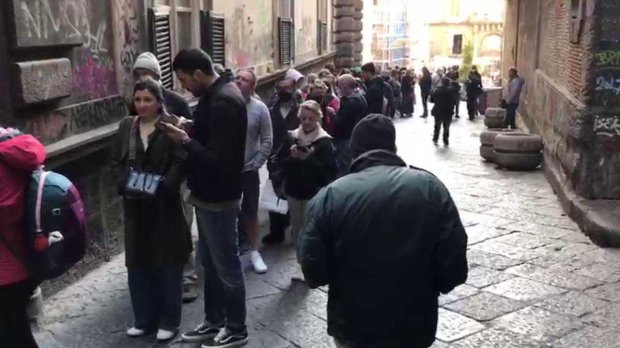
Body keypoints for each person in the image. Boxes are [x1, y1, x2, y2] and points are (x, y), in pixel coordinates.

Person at [298, 114, 468, 348]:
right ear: (394, 147)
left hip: (353, 323)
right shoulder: (431, 187)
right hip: (414, 322)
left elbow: (313, 270)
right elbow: (454, 262)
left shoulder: (330, 195)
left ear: (353, 150)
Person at [160, 48, 249, 347]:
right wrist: (190, 127)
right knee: (210, 265)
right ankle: (214, 321)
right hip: (207, 194)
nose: (183, 86)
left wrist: (184, 140)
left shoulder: (224, 99)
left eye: (184, 79)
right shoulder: (216, 94)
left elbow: (218, 159)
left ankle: (236, 327)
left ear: (198, 74)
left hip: (219, 196)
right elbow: (212, 137)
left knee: (227, 266)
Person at [111, 77, 191, 342]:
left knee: (168, 264)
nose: (142, 105)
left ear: (159, 102)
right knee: (137, 263)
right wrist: (126, 182)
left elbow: (180, 163)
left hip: (165, 207)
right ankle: (144, 318)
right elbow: (116, 162)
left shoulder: (172, 125)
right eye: (138, 100)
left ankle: (169, 320)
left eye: (148, 100)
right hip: (135, 207)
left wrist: (162, 186)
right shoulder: (126, 127)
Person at [131, 52, 198, 303]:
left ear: (158, 76)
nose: (142, 78)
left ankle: (188, 276)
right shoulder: (135, 102)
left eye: (147, 73)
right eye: (138, 74)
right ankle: (160, 274)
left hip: (176, 177)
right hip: (146, 177)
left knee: (181, 226)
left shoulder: (176, 101)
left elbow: (189, 136)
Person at [0, 127, 46, 348]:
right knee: (17, 329)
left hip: (5, 270)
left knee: (12, 335)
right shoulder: (14, 149)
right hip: (25, 257)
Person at [277, 100, 336, 264]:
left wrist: (309, 158)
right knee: (297, 228)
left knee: (312, 229)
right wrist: (293, 158)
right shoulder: (292, 137)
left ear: (318, 118)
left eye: (310, 118)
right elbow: (281, 162)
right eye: (303, 118)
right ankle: (300, 262)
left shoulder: (324, 141)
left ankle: (312, 261)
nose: (306, 122)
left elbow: (329, 171)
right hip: (294, 190)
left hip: (314, 192)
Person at [235, 69, 273, 274]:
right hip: (227, 171)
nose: (239, 82)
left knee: (250, 211)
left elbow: (267, 139)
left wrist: (257, 162)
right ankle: (231, 252)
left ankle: (255, 252)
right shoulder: (226, 106)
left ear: (253, 86)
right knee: (227, 211)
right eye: (237, 78)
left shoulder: (259, 109)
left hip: (248, 169)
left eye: (245, 80)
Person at [262, 78, 301, 245]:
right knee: (274, 194)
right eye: (282, 88)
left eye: (288, 88)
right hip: (275, 159)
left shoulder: (301, 110)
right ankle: (276, 231)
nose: (285, 91)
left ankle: (294, 227)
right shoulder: (270, 111)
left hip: (296, 158)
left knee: (294, 193)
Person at [333, 74, 367, 176]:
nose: (337, 90)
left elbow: (340, 122)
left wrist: (333, 114)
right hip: (354, 136)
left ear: (344, 87)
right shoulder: (360, 97)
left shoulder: (350, 102)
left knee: (344, 167)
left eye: (338, 86)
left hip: (346, 138)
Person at [431, 78, 458, 146]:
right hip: (448, 111)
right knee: (446, 127)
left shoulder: (437, 90)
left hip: (438, 110)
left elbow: (432, 99)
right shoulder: (451, 91)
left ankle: (435, 138)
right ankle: (445, 140)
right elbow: (455, 100)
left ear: (442, 83)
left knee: (437, 125)